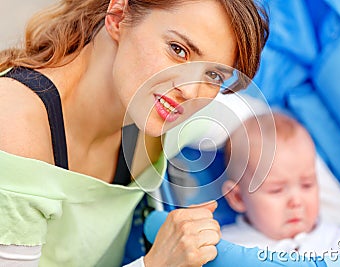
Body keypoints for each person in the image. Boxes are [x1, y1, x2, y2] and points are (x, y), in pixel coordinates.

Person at [0, 0, 269, 266]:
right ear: (117, 16)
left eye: (213, 76)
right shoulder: (16, 126)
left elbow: (255, 119)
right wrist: (156, 264)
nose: (190, 92)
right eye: (178, 50)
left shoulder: (157, 112)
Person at [221, 112, 340, 254]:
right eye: (277, 190)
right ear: (238, 197)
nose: (296, 201)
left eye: (307, 185)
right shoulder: (226, 249)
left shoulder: (339, 242)